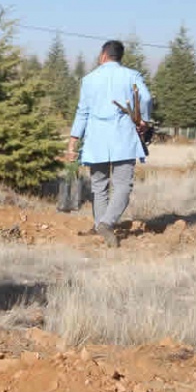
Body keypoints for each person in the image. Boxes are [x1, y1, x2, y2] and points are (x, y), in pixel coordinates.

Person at [67, 40, 151, 248]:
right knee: (123, 186)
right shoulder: (131, 75)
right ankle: (106, 223)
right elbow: (147, 98)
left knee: (99, 187)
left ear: (103, 55)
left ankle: (101, 227)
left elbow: (82, 112)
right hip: (123, 137)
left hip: (96, 139)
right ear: (118, 57)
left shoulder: (89, 79)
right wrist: (144, 120)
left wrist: (73, 142)